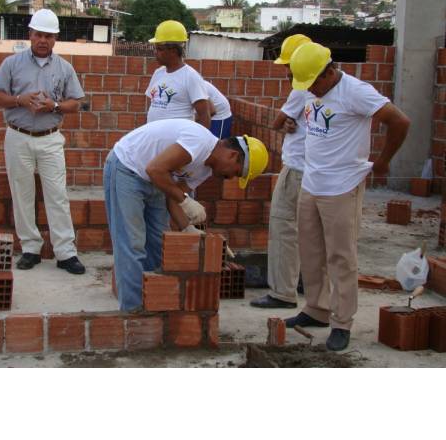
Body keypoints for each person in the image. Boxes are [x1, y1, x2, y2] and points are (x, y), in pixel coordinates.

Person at [285, 42, 410, 351]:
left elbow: (400, 121)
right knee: (311, 251)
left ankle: (342, 323)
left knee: (341, 256)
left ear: (330, 72)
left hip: (342, 186)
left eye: (314, 82)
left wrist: (382, 162)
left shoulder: (356, 91)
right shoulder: (311, 90)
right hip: (312, 183)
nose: (310, 89)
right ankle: (316, 309)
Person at [104, 118, 269, 311]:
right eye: (236, 173)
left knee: (158, 243)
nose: (231, 178)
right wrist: (185, 200)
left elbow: (172, 197)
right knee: (132, 244)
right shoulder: (198, 142)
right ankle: (132, 311)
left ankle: (151, 303)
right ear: (233, 156)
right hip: (128, 168)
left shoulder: (206, 170)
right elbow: (155, 170)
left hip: (156, 180)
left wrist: (187, 228)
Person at [0, 9, 86, 274]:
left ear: (55, 38)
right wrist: (20, 100)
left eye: (48, 36)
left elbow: (76, 103)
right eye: (38, 34)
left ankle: (65, 252)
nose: (43, 40)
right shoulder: (12, 64)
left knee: (57, 195)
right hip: (18, 135)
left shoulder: (64, 68)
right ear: (30, 35)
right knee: (22, 194)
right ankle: (31, 248)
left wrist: (53, 105)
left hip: (50, 138)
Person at [250, 34, 311, 309]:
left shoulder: (302, 88)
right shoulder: (334, 86)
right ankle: (311, 287)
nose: (286, 71)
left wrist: (284, 122)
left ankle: (282, 293)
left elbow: (276, 121)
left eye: (288, 65)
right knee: (313, 234)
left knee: (284, 229)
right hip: (320, 173)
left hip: (298, 170)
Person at [146, 20, 211, 128]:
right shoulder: (158, 73)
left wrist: (197, 143)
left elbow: (205, 117)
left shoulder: (190, 76)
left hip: (177, 142)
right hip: (156, 141)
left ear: (174, 51)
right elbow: (152, 108)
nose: (155, 52)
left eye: (159, 49)